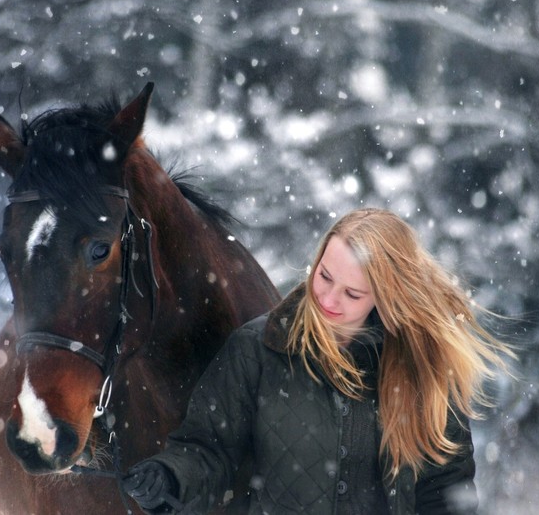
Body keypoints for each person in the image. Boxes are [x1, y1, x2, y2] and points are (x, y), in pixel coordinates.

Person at [121, 208, 514, 514]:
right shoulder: (258, 349)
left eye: (352, 293)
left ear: (387, 297)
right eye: (324, 276)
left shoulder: (422, 369)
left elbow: (445, 493)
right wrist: (170, 478)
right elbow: (209, 451)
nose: (327, 300)